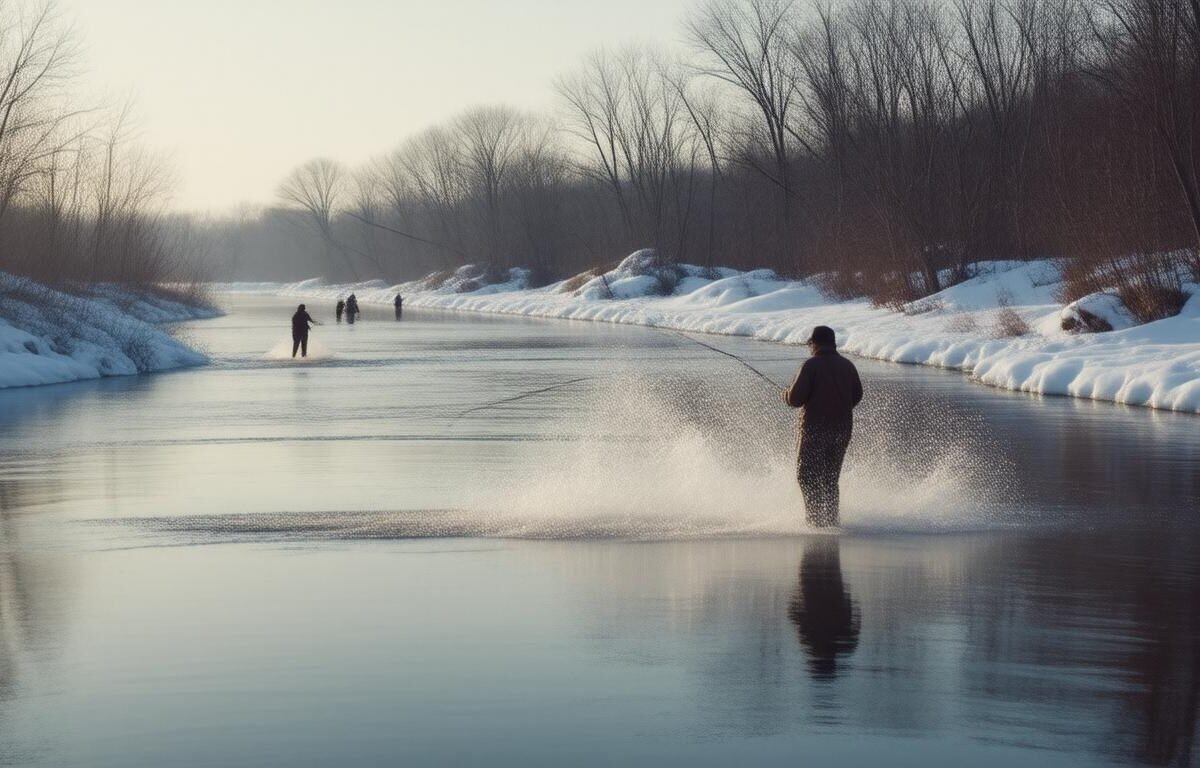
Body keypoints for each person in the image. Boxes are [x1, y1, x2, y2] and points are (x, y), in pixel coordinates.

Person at [782, 325, 863, 527]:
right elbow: (857, 396)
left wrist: (784, 394)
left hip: (814, 429)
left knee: (806, 476)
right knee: (830, 478)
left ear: (814, 343)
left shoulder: (810, 366)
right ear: (833, 343)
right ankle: (831, 520)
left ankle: (815, 520)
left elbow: (795, 399)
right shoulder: (848, 366)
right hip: (843, 429)